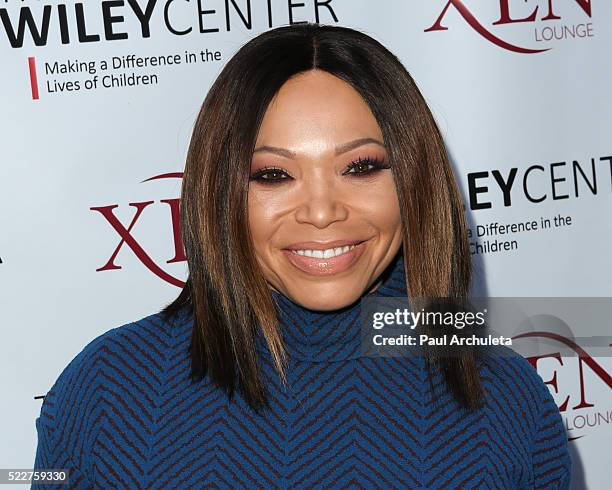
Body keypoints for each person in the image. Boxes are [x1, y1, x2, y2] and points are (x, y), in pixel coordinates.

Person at [32, 23, 572, 488]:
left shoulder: (501, 392)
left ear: (414, 179)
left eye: (360, 167)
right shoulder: (107, 391)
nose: (321, 211)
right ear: (219, 193)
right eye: (273, 174)